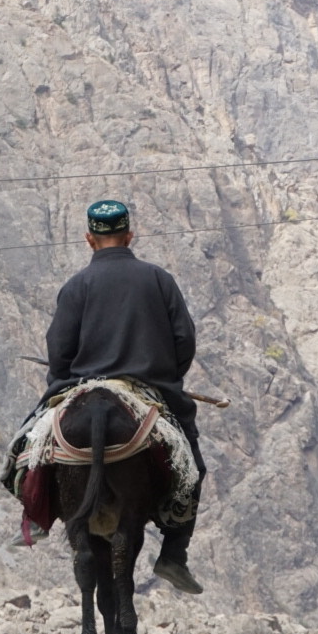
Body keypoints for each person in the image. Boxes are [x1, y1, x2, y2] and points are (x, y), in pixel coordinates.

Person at [40, 198, 205, 594]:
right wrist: (166, 378)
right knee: (193, 466)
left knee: (30, 449)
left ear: (88, 239)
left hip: (81, 387)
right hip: (150, 390)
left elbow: (58, 349)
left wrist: (60, 383)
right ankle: (173, 553)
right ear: (130, 235)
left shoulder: (76, 285)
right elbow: (184, 341)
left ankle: (35, 517)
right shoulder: (159, 279)